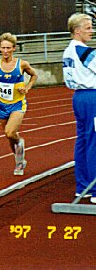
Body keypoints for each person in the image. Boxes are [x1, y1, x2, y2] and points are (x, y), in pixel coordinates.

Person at [0, 32, 38, 176]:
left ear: (14, 49)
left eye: (8, 48)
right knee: (9, 137)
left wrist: (27, 87)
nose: (5, 51)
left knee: (10, 132)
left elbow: (34, 75)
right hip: (2, 105)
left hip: (17, 104)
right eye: (2, 48)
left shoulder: (21, 64)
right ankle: (19, 161)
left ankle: (20, 143)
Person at [63, 13, 96, 204]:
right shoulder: (85, 51)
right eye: (88, 27)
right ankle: (94, 190)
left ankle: (82, 186)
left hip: (79, 97)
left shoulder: (68, 51)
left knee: (83, 139)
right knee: (92, 140)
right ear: (77, 30)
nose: (91, 31)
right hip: (92, 96)